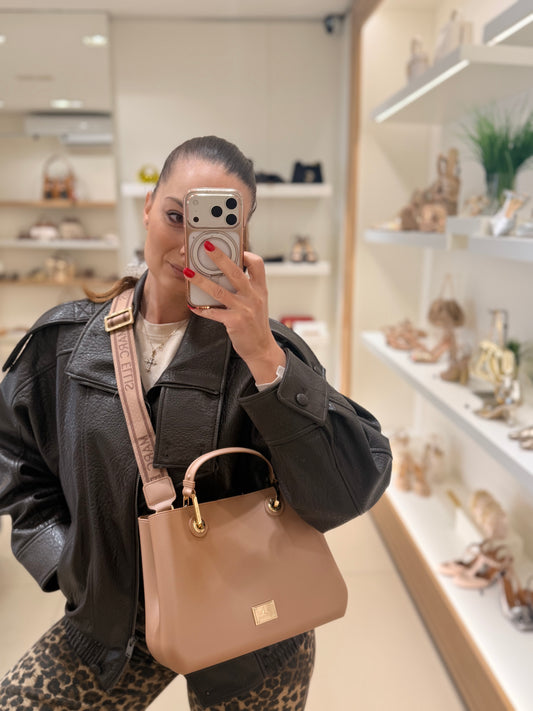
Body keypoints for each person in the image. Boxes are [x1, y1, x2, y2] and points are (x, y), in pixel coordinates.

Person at [0, 135, 392, 710]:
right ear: (147, 207)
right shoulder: (65, 343)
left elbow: (346, 492)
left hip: (255, 632)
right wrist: (68, 563)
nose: (188, 242)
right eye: (174, 216)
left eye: (212, 225)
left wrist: (265, 358)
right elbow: (14, 457)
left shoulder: (268, 353)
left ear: (240, 237)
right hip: (116, 627)